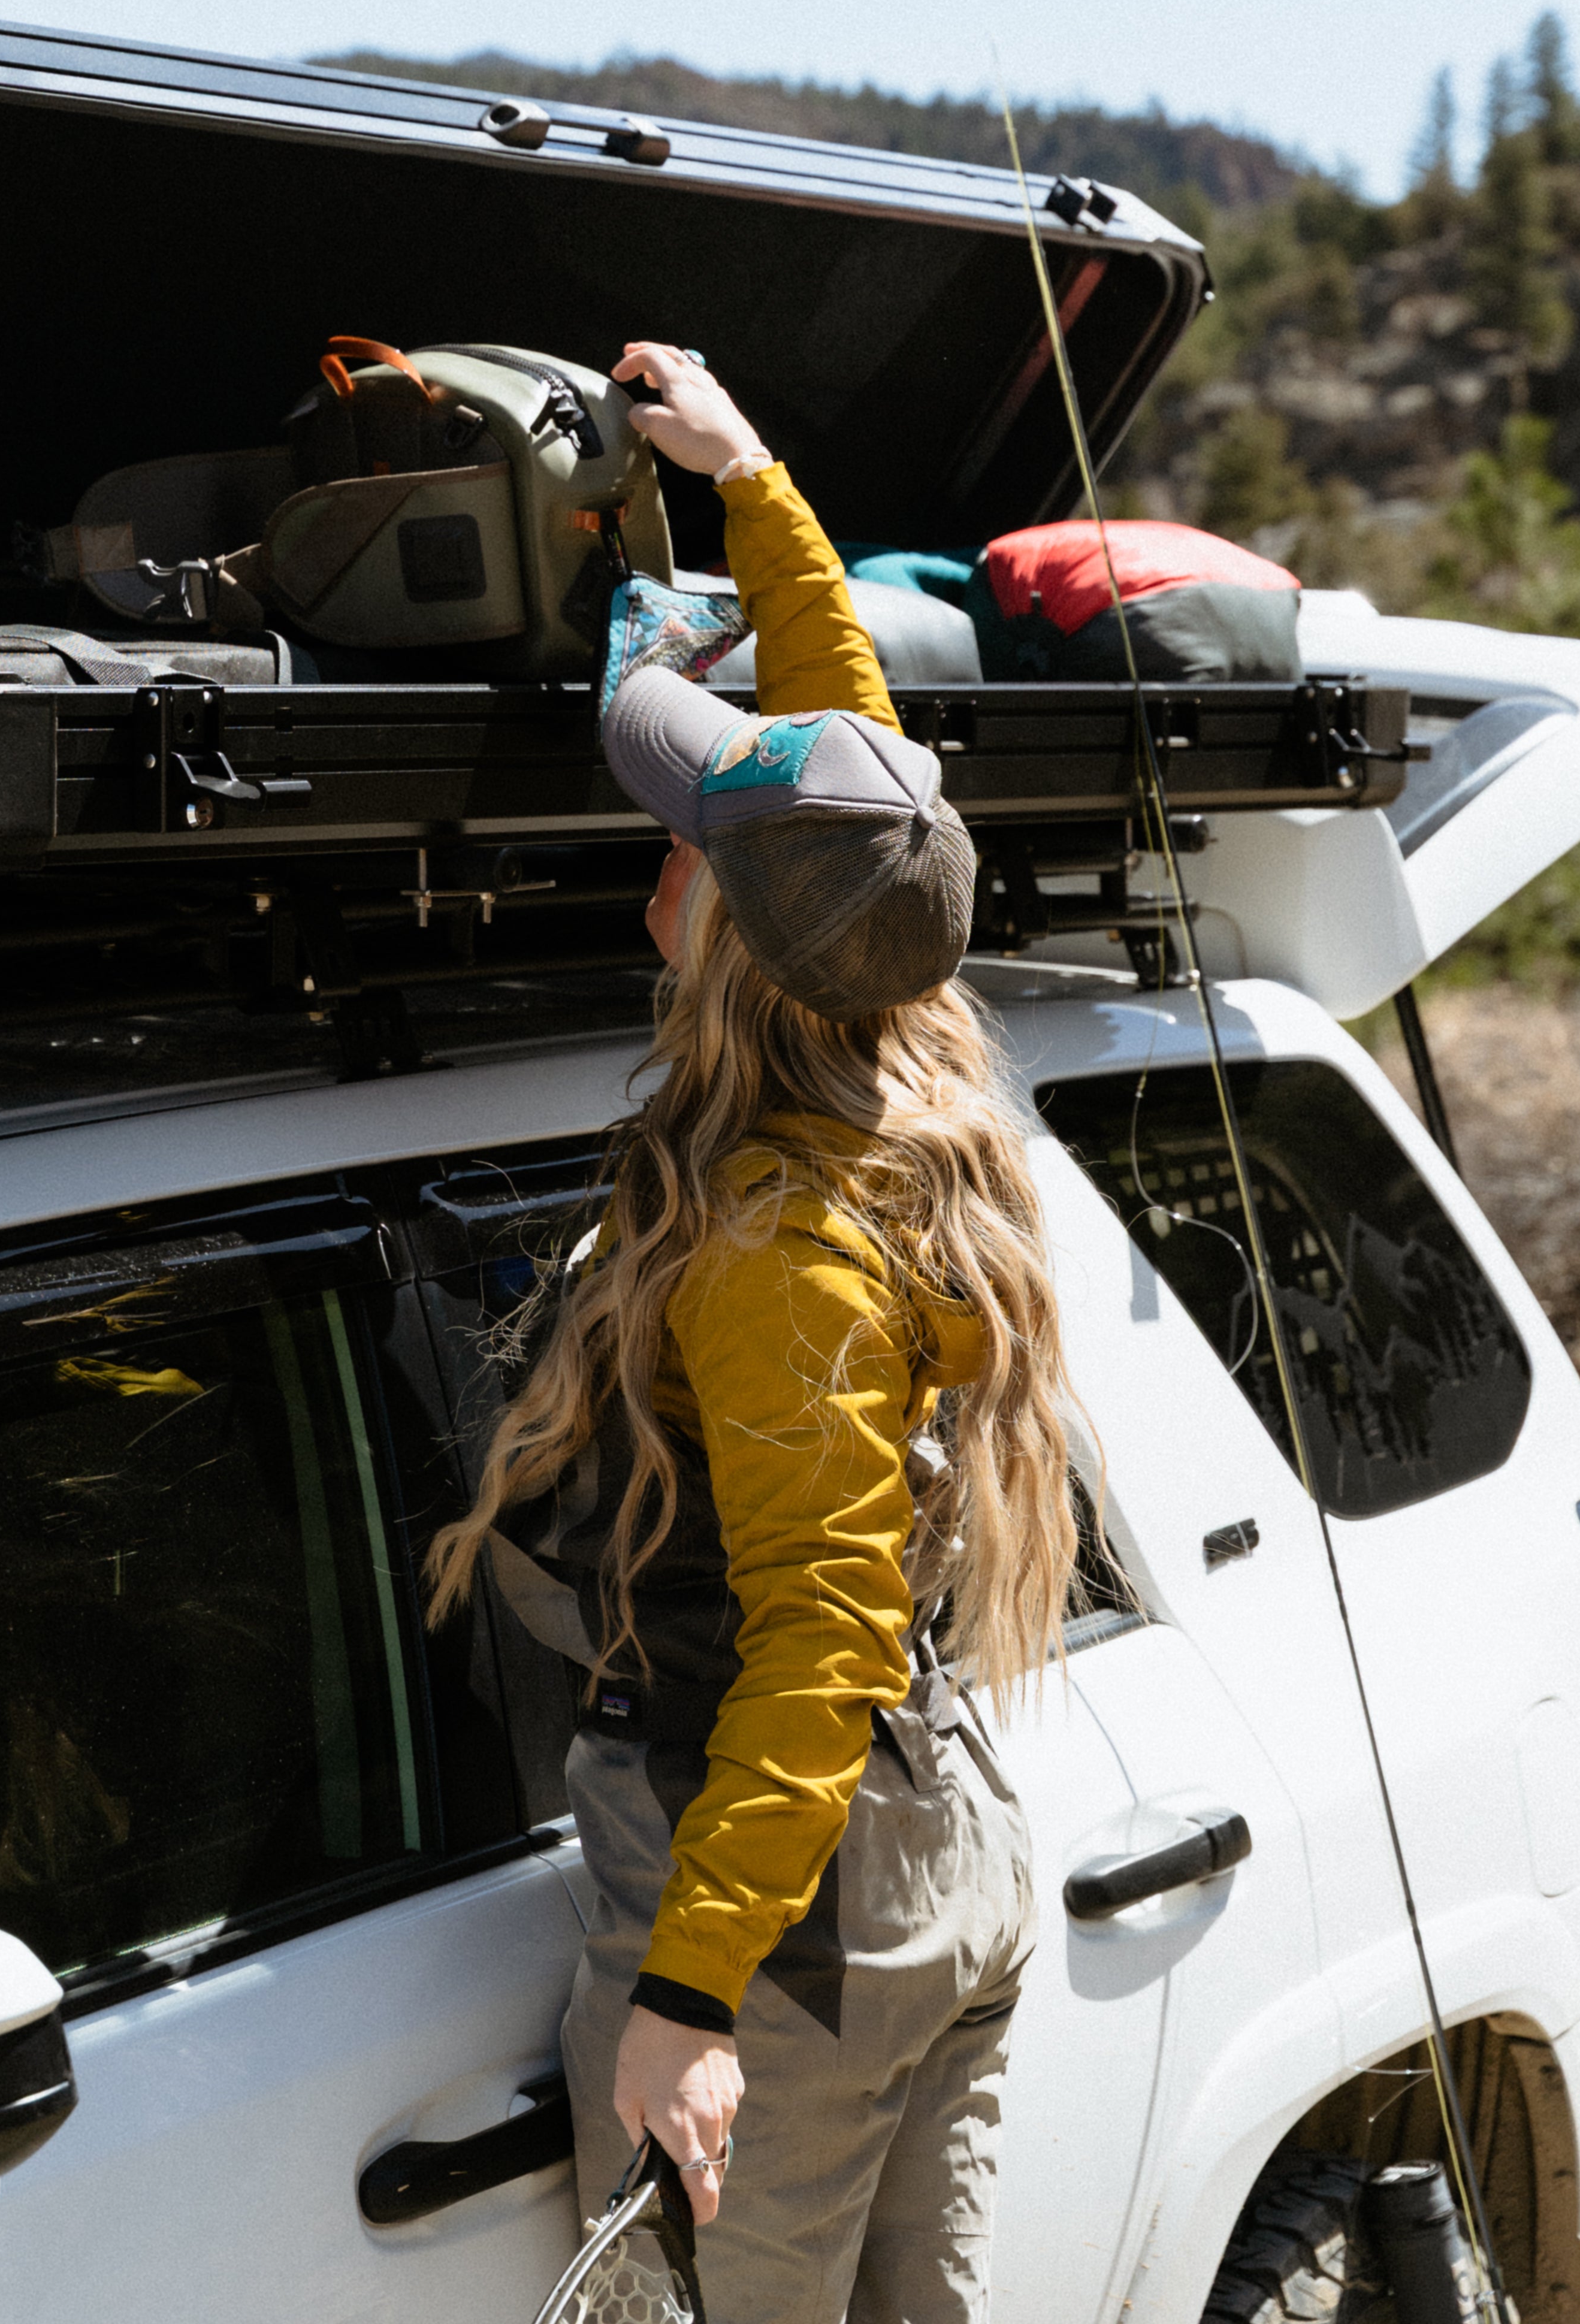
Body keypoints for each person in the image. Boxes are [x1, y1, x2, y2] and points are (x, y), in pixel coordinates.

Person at [428, 340, 1081, 2324]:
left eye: (686, 842)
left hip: (790, 1940)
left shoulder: (775, 1251)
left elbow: (807, 1642)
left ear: (719, 929)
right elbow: (851, 759)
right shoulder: (909, 1037)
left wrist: (686, 2002)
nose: (664, 858)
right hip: (934, 1861)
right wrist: (747, 479)